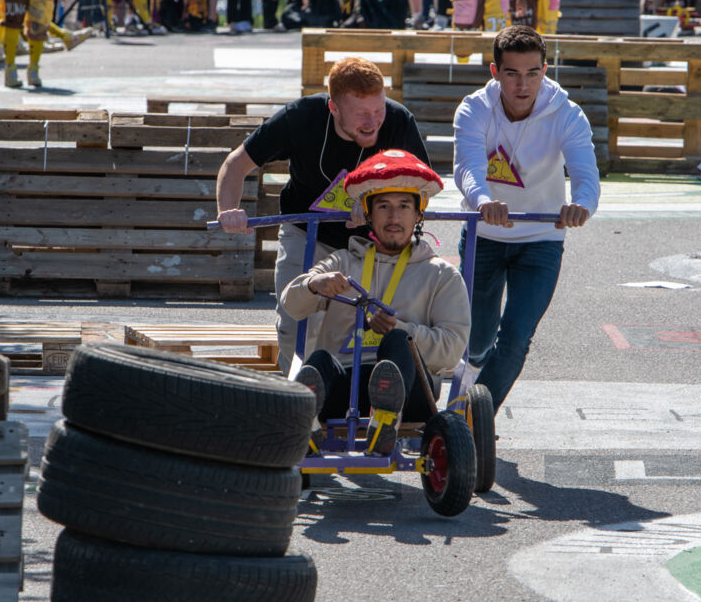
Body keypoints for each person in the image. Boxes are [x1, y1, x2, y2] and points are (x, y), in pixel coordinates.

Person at [215, 57, 429, 373]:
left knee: (369, 328)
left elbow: (422, 186)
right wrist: (228, 210)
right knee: (295, 323)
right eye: (362, 114)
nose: (373, 122)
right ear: (334, 108)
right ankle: (300, 400)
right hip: (306, 232)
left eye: (378, 110)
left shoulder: (398, 121)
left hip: (370, 243)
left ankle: (360, 401)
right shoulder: (301, 117)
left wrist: (375, 201)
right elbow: (236, 164)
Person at [281, 150, 471, 456]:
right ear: (368, 214)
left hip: (412, 391)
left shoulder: (442, 275)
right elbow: (291, 306)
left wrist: (403, 329)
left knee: (397, 339)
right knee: (318, 362)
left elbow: (452, 350)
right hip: (346, 382)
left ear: (418, 214)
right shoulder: (342, 261)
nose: (394, 217)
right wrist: (314, 285)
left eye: (403, 207)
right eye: (383, 206)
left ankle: (385, 419)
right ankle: (307, 424)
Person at [452, 24, 599, 412]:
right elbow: (467, 167)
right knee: (477, 340)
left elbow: (586, 174)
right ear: (494, 72)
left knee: (516, 338)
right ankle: (465, 385)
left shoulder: (566, 114)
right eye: (512, 73)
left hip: (541, 240)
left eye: (533, 73)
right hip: (484, 235)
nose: (523, 84)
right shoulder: (474, 109)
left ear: (545, 70)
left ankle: (471, 419)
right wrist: (483, 200)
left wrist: (581, 203)